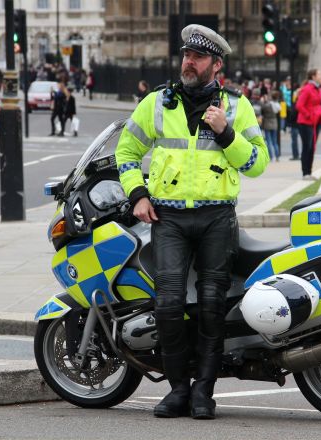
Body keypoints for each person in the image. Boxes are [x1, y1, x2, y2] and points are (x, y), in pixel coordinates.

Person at [115, 24, 268, 420]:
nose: (188, 62)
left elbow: (258, 163)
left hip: (217, 217)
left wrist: (227, 133)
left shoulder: (236, 106)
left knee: (211, 305)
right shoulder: (155, 103)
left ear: (216, 65)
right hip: (169, 218)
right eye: (185, 56)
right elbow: (127, 152)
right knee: (167, 304)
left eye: (197, 58)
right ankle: (178, 389)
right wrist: (137, 195)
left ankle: (204, 392)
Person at [296, 68, 321, 180]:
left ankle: (309, 171)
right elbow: (299, 105)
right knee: (307, 147)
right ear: (313, 76)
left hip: (316, 121)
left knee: (312, 147)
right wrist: (309, 115)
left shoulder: (318, 89)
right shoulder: (307, 89)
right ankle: (305, 173)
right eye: (319, 74)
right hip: (306, 122)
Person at [261, 90, 281, 161]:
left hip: (267, 123)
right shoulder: (278, 105)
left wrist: (265, 101)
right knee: (275, 141)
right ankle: (277, 156)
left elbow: (262, 109)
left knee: (269, 141)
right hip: (274, 123)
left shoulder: (268, 105)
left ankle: (271, 156)